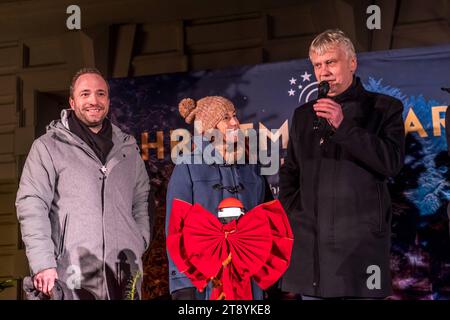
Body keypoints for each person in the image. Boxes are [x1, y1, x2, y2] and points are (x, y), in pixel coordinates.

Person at [278, 29, 405, 299]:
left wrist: (343, 127)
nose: (323, 72)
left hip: (360, 250)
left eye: (331, 62)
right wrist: (297, 214)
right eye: (317, 65)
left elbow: (391, 163)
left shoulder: (384, 108)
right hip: (312, 249)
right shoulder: (303, 116)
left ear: (352, 62)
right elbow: (290, 172)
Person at [16, 67, 152, 300]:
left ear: (108, 100)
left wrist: (138, 240)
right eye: (85, 93)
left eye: (100, 94)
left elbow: (141, 199)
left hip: (124, 273)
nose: (94, 100)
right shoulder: (48, 147)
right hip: (71, 273)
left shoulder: (128, 149)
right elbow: (31, 204)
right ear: (72, 101)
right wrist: (42, 263)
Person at [166, 96, 273, 300]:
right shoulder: (187, 167)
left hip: (248, 280)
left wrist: (267, 276)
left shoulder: (252, 167)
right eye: (225, 118)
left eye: (234, 116)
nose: (234, 123)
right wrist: (181, 283)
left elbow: (265, 224)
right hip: (204, 282)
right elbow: (175, 229)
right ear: (208, 129)